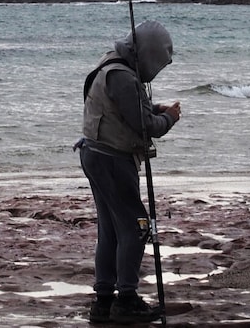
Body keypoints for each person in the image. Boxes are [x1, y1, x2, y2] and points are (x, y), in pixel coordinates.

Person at [75, 20, 181, 324]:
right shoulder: (123, 77)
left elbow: (127, 111)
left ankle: (104, 301)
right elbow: (146, 126)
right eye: (157, 64)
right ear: (146, 54)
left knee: (110, 229)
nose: (156, 71)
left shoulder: (110, 63)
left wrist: (154, 109)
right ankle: (127, 299)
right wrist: (170, 118)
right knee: (137, 227)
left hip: (93, 153)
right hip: (112, 160)